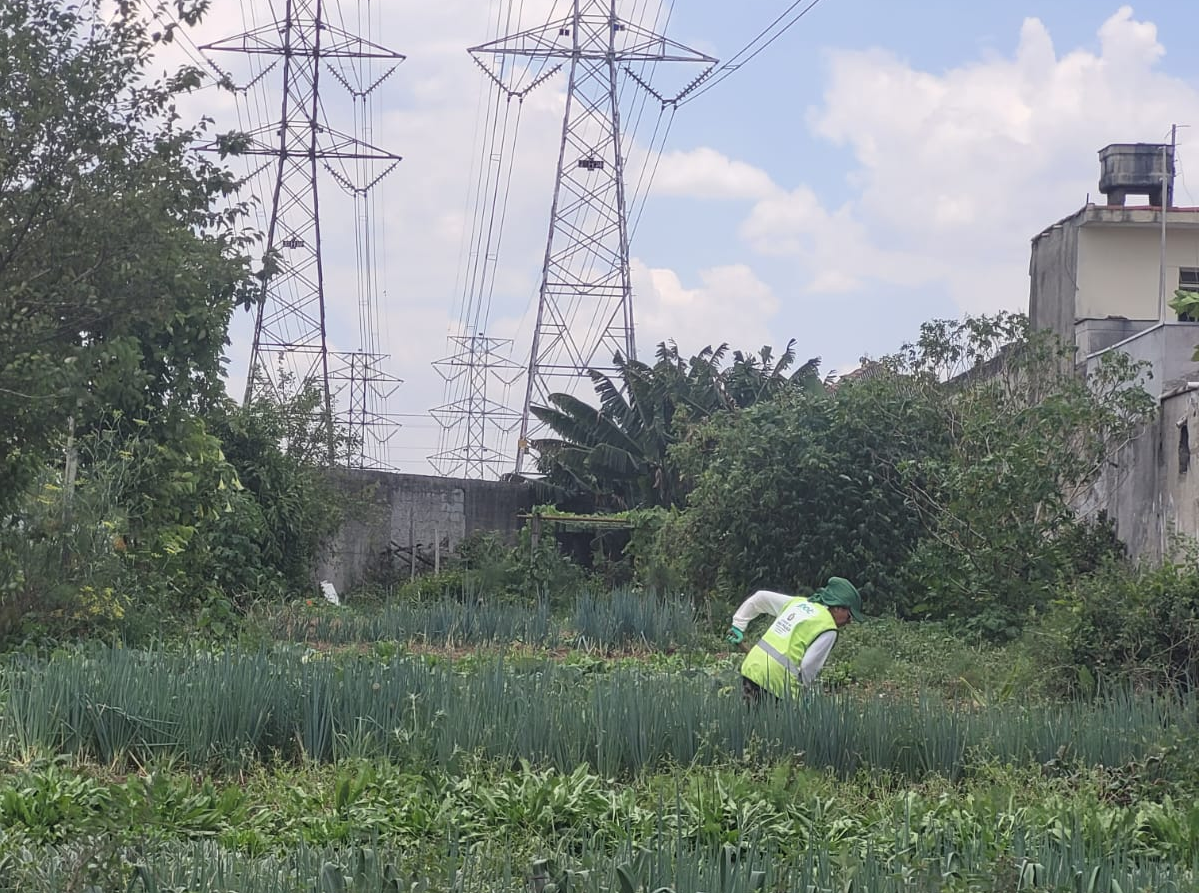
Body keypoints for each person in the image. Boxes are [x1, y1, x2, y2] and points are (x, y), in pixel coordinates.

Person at [725, 577, 864, 703]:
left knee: (749, 725)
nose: (849, 621)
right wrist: (802, 695)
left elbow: (760, 598)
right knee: (773, 730)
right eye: (849, 615)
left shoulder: (798, 603)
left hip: (753, 668)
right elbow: (808, 666)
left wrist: (738, 625)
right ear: (838, 607)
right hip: (779, 684)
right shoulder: (829, 629)